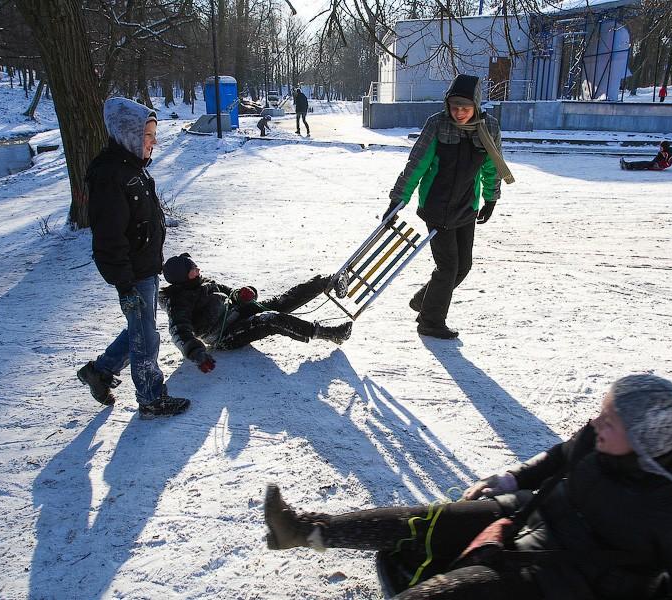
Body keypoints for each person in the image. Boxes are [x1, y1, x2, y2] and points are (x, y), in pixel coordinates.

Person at [264, 374, 672, 600]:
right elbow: (559, 457)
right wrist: (511, 478)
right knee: (422, 521)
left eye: (610, 419)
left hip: (568, 580)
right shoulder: (604, 441)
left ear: (645, 444)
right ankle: (302, 531)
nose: (596, 422)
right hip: (530, 514)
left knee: (450, 594)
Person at [76, 97, 190, 418]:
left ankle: (100, 372)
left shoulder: (133, 169)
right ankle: (151, 397)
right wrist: (124, 284)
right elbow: (108, 238)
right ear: (128, 134)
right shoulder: (110, 175)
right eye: (148, 136)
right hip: (132, 273)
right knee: (146, 337)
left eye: (153, 135)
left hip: (145, 267)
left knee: (141, 329)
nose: (154, 143)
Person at [385, 73, 514, 339]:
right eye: (454, 107)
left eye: (465, 108)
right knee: (448, 267)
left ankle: (425, 301)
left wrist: (491, 198)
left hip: (467, 207)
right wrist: (398, 199)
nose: (459, 113)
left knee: (463, 266)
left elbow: (492, 167)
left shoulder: (488, 128)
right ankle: (430, 321)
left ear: (476, 106)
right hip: (436, 206)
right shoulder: (437, 125)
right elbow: (416, 164)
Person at [158, 253, 352, 371]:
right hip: (224, 334)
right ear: (182, 277)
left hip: (236, 313)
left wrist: (246, 293)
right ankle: (328, 333)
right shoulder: (179, 301)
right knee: (271, 320)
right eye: (193, 269)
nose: (198, 270)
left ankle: (327, 282)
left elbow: (232, 293)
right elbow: (179, 330)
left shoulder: (205, 283)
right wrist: (196, 353)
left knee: (280, 303)